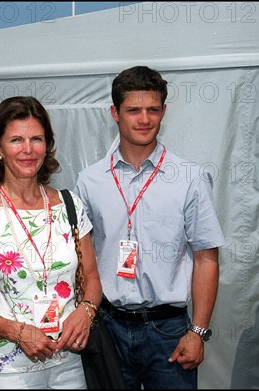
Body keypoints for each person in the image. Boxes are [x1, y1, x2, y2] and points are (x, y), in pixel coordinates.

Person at [74, 65, 225, 389]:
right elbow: (82, 258)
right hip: (108, 327)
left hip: (169, 332)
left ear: (164, 111)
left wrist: (197, 332)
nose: (144, 119)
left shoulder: (190, 178)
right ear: (115, 112)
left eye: (152, 109)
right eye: (134, 110)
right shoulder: (89, 181)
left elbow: (207, 258)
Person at [0, 96, 102, 389]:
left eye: (36, 139)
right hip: (10, 370)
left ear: (47, 145)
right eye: (16, 139)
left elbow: (92, 277)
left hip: (69, 362)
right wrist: (16, 332)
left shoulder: (70, 205)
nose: (28, 150)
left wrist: (86, 311)